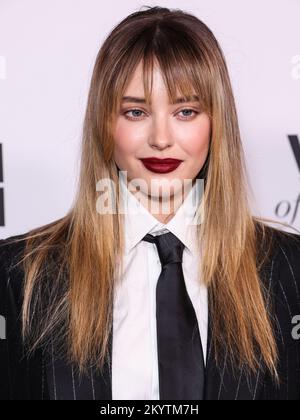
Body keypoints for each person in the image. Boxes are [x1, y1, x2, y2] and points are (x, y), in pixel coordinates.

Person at [0, 6, 300, 400]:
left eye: (185, 111)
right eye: (136, 111)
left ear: (216, 123)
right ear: (104, 123)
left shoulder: (288, 269)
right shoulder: (19, 275)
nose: (161, 137)